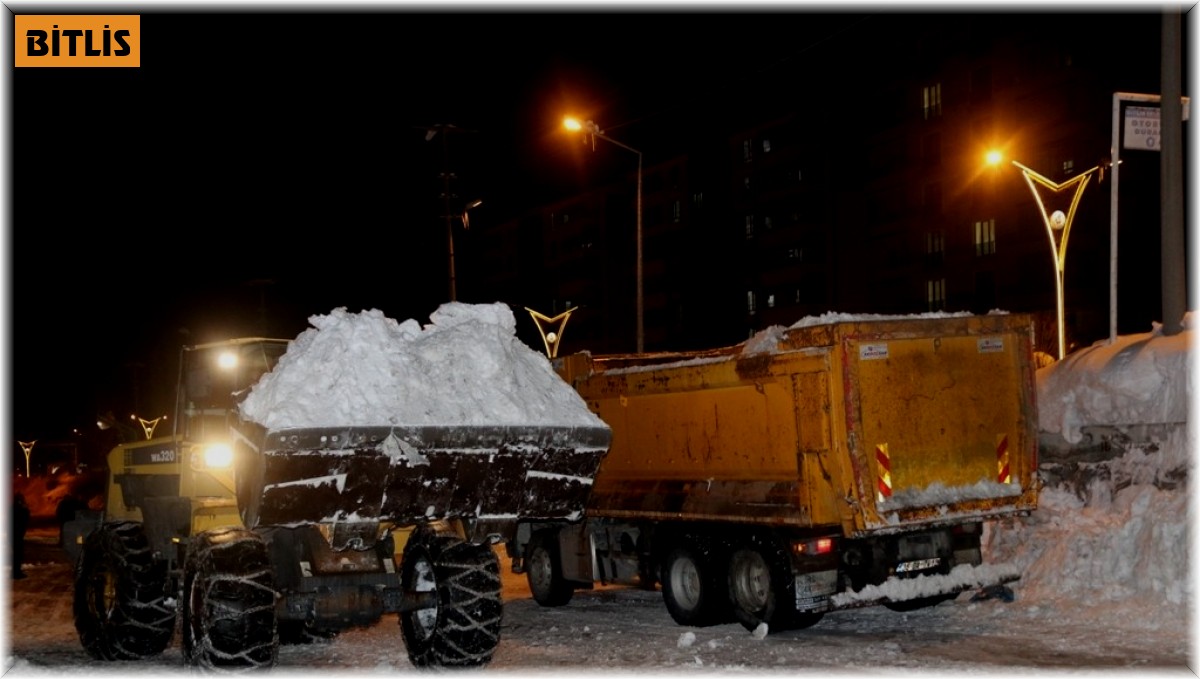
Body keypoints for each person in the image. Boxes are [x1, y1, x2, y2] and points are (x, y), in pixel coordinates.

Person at [12, 493, 30, 579]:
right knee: (18, 554)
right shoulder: (21, 509)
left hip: (13, 533)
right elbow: (26, 517)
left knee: (16, 553)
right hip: (18, 533)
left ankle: (16, 571)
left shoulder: (11, 508)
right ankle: (16, 572)